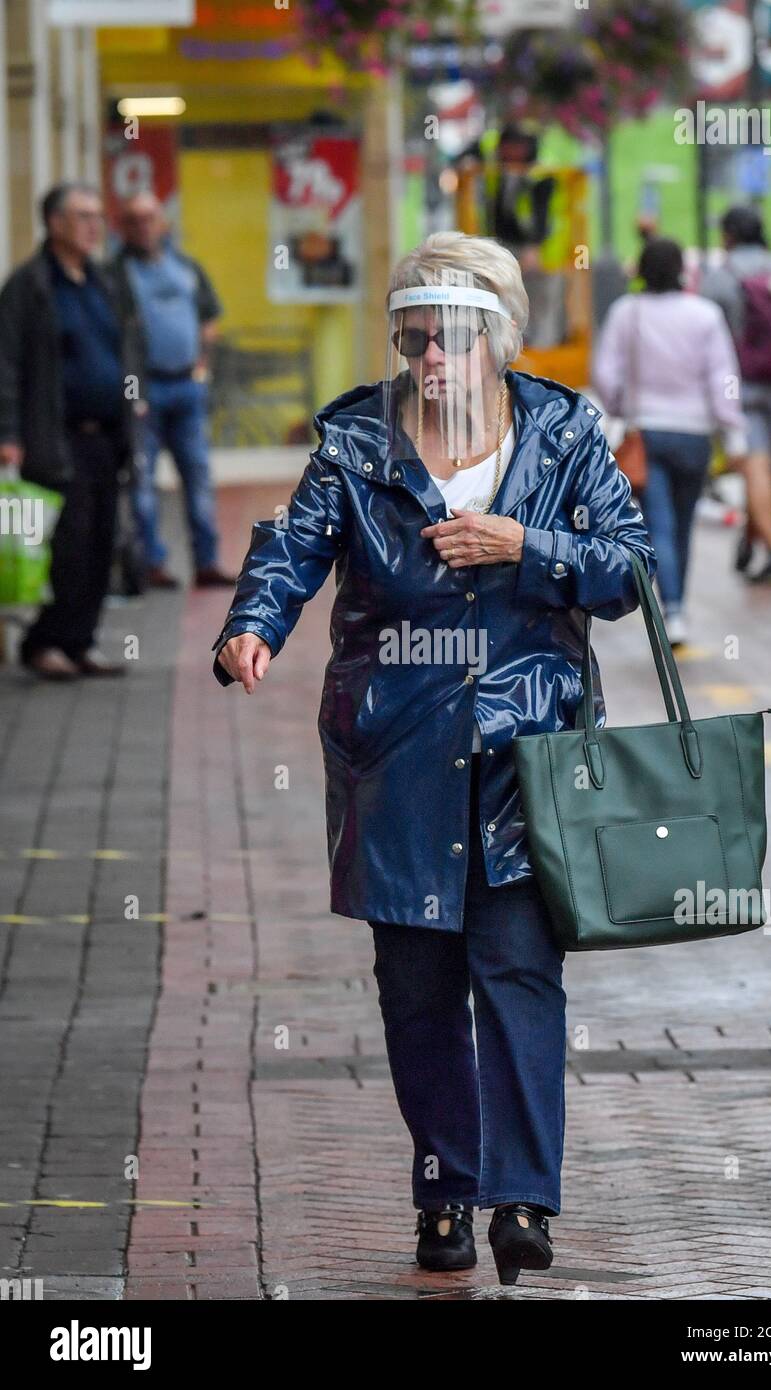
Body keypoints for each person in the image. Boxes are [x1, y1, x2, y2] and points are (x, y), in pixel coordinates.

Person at [211, 232, 656, 1285]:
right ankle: (444, 1192)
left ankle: (521, 1199)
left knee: (516, 970)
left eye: (448, 338)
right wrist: (254, 624)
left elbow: (629, 565)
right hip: (396, 748)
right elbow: (291, 541)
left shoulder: (561, 433)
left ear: (497, 340)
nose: (427, 358)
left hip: (529, 750)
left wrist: (523, 548)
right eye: (410, 338)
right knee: (414, 984)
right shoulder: (358, 441)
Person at [0, 181, 145, 680]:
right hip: (56, 438)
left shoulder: (102, 281)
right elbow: (7, 365)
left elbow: (126, 345)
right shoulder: (30, 286)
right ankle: (46, 643)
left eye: (96, 216)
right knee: (66, 545)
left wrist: (133, 398)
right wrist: (9, 433)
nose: (93, 225)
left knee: (102, 542)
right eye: (82, 216)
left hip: (107, 436)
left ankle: (81, 640)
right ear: (54, 223)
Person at [593, 237, 747, 646]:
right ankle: (678, 605)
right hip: (695, 435)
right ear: (683, 268)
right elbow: (723, 376)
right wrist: (731, 427)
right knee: (683, 523)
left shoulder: (627, 312)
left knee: (657, 522)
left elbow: (605, 372)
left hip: (647, 432)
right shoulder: (706, 315)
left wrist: (620, 406)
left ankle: (672, 608)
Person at [115, 191, 234, 589]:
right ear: (123, 228)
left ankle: (206, 562)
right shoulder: (114, 275)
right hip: (143, 392)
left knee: (198, 476)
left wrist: (202, 366)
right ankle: (151, 564)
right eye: (134, 220)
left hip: (187, 388)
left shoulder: (186, 268)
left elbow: (210, 318)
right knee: (142, 480)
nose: (143, 226)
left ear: (162, 222)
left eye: (150, 218)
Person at [701, 205, 771, 587]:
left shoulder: (720, 276)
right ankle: (750, 542)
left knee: (756, 468)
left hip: (741, 388)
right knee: (760, 470)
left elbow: (707, 339)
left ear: (729, 235)